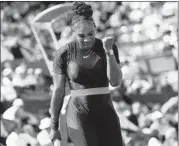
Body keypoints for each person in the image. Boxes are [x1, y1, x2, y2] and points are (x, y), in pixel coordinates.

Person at [49, 2, 123, 146]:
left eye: (90, 34)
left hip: (106, 111)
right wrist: (54, 126)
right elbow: (58, 91)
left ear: (95, 28)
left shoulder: (109, 46)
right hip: (79, 114)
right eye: (81, 35)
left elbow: (115, 81)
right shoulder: (63, 53)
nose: (87, 39)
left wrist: (109, 53)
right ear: (73, 31)